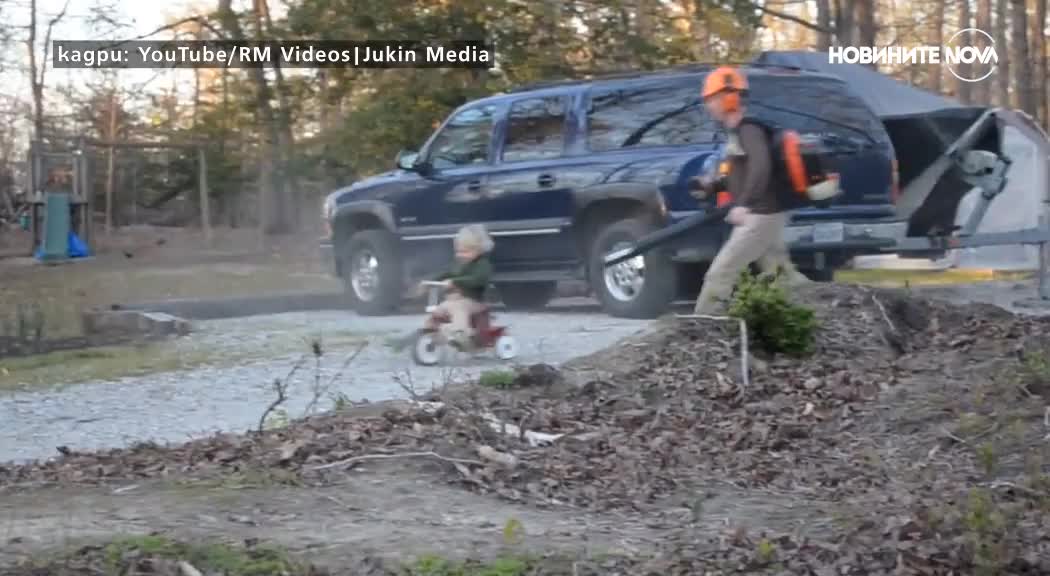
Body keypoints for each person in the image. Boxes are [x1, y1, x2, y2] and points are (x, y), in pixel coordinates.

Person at [692, 66, 810, 315]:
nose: (709, 106)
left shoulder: (749, 129)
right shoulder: (738, 131)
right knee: (784, 278)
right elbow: (743, 173)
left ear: (729, 97)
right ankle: (829, 308)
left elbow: (761, 167)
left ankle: (699, 329)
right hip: (765, 214)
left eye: (711, 99)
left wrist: (744, 203)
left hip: (760, 215)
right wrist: (712, 186)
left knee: (720, 274)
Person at [422, 224, 494, 346]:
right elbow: (448, 273)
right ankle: (429, 330)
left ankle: (461, 333)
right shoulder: (460, 264)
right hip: (455, 301)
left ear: (479, 250)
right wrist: (430, 281)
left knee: (459, 308)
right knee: (440, 309)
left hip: (474, 302)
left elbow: (477, 280)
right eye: (458, 251)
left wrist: (455, 282)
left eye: (465, 251)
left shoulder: (483, 265)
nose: (460, 255)